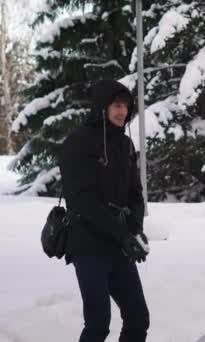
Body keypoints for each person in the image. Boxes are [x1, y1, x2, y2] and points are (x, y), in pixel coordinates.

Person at [59, 79, 151, 342]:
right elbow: (81, 201)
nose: (123, 111)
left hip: (119, 243)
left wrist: (135, 231)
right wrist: (123, 235)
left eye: (126, 106)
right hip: (87, 243)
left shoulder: (124, 145)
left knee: (137, 317)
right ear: (102, 106)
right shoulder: (77, 143)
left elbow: (135, 193)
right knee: (98, 323)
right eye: (117, 105)